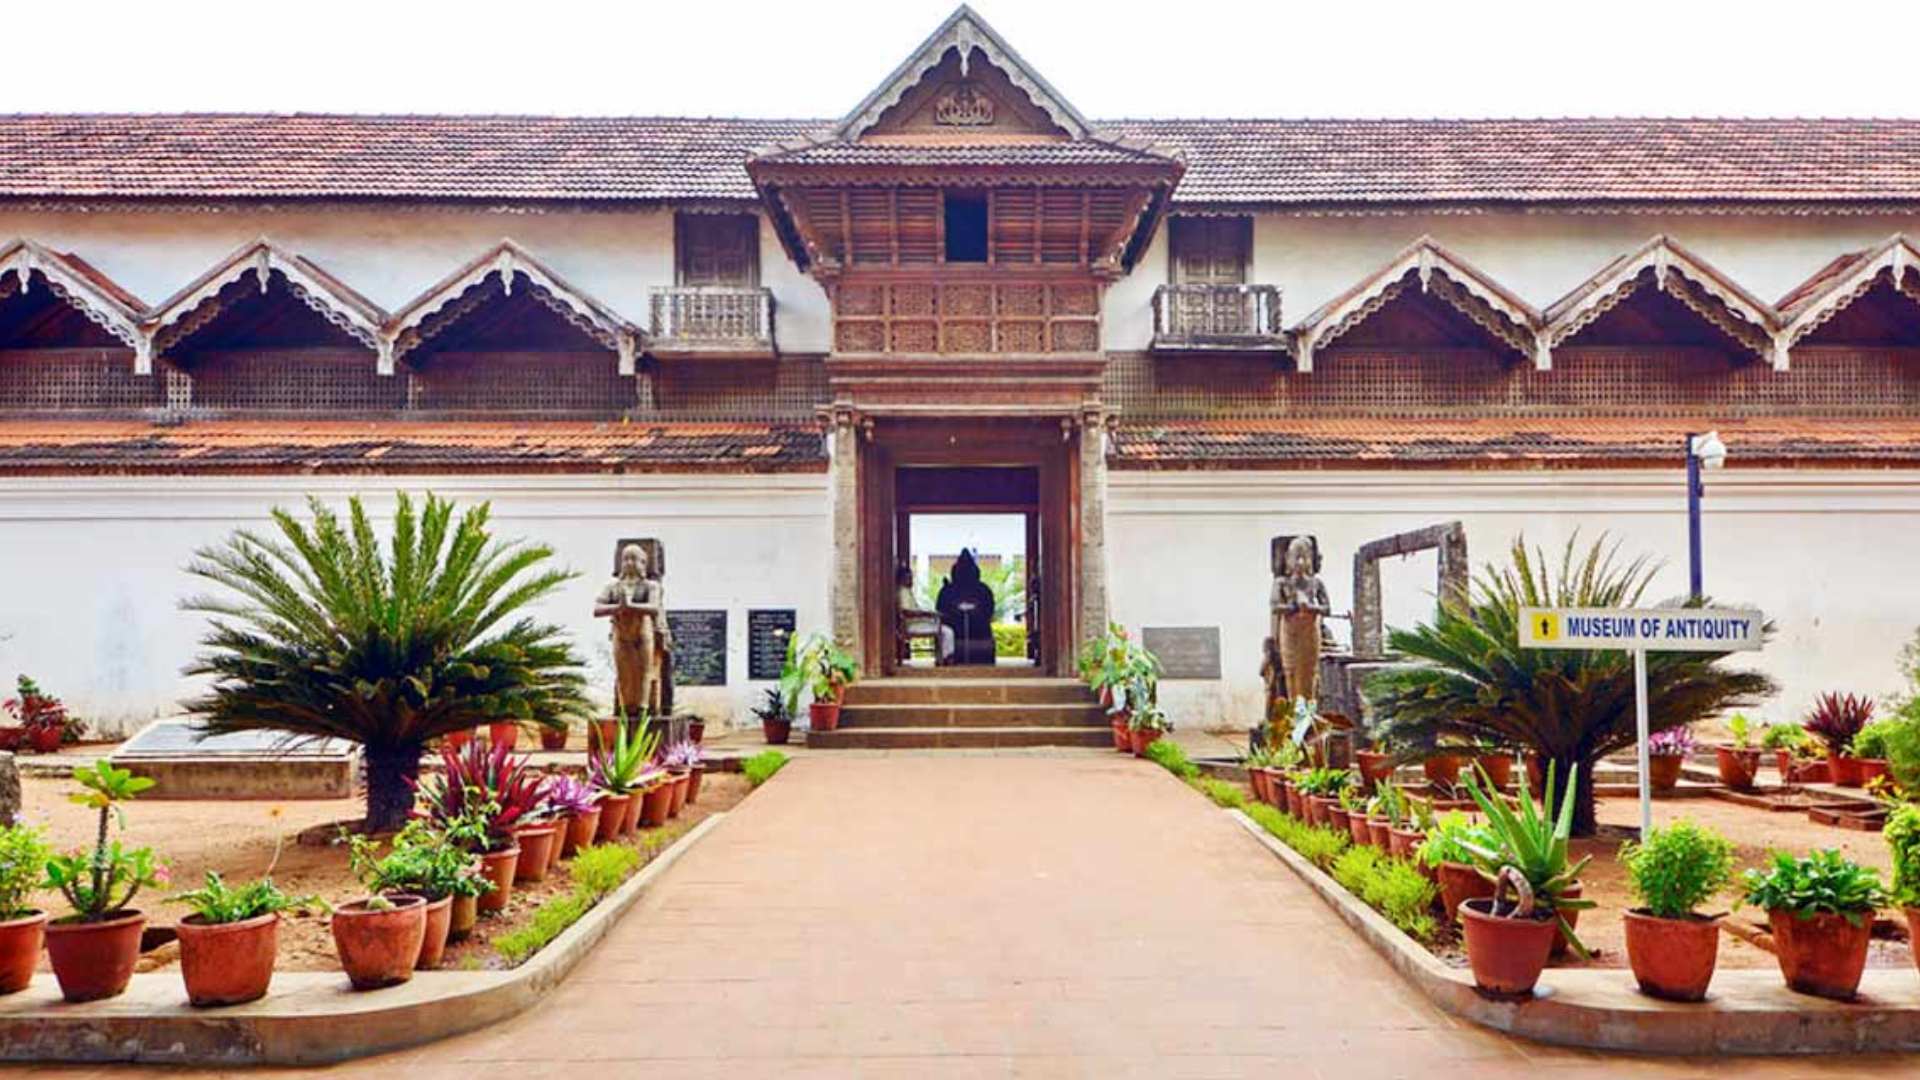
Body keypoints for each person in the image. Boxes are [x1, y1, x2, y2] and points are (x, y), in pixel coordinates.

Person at [594, 543, 671, 717]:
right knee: (623, 674)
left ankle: (644, 710)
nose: (629, 563)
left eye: (634, 559)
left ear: (643, 563)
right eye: (626, 559)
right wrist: (618, 607)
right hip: (621, 633)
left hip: (643, 633)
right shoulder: (613, 586)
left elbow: (653, 608)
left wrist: (629, 606)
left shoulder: (651, 586)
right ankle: (624, 709)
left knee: (644, 673)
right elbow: (597, 608)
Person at [936, 549, 997, 665]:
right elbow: (941, 610)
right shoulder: (947, 590)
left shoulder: (983, 590)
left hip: (978, 628)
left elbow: (989, 609)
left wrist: (975, 610)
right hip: (955, 626)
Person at [897, 565, 953, 664]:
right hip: (913, 625)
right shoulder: (903, 592)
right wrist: (927, 614)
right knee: (947, 632)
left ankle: (941, 656)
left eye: (911, 578)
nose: (911, 581)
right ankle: (946, 658)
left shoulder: (907, 591)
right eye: (908, 578)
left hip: (917, 622)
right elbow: (907, 612)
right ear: (902, 579)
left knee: (942, 627)